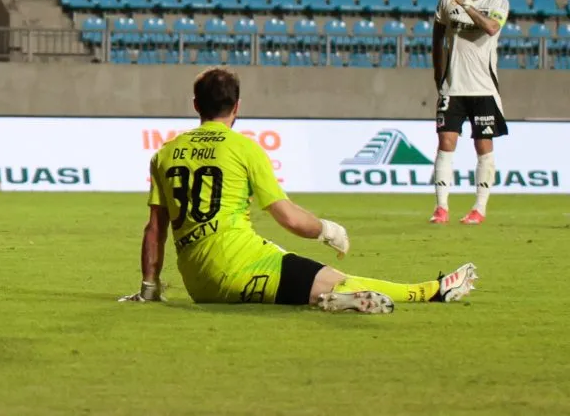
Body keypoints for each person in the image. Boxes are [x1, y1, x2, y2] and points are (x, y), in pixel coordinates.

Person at [118, 67, 477, 313]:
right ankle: (432, 290)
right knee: (337, 279)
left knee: (289, 269)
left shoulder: (165, 153)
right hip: (240, 266)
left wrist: (149, 288)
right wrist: (327, 230)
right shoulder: (244, 149)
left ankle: (324, 299)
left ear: (196, 104)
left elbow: (155, 229)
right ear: (237, 106)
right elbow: (288, 218)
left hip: (200, 286)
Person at [430, 0, 510, 225]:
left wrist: (463, 3)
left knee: (483, 145)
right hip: (453, 86)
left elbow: (490, 28)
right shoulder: (446, 1)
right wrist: (438, 73)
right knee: (445, 142)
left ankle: (479, 208)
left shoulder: (499, 2)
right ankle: (441, 208)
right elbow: (437, 37)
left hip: (483, 88)